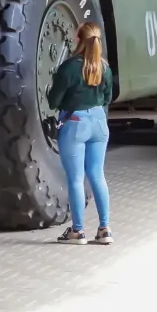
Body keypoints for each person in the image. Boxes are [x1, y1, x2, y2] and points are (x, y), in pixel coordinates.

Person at [46, 21, 115, 245]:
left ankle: (77, 231)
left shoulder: (69, 67)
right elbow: (107, 98)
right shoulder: (104, 68)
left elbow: (53, 100)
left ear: (78, 38)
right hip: (99, 123)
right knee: (97, 175)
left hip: (75, 123)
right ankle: (105, 230)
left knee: (76, 179)